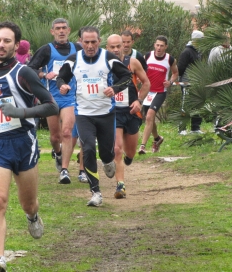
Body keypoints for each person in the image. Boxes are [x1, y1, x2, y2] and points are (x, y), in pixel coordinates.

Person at [0, 21, 59, 272]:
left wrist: (20, 112)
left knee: (28, 203)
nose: (2, 45)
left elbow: (51, 106)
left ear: (16, 45)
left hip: (23, 143)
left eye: (7, 41)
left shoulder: (24, 73)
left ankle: (32, 216)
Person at [56, 26, 132, 206]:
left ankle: (107, 162)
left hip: (106, 113)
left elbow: (127, 77)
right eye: (86, 42)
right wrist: (63, 86)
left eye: (93, 42)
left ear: (99, 41)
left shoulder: (108, 58)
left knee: (107, 153)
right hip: (83, 114)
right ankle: (95, 192)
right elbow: (61, 78)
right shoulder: (74, 60)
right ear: (81, 42)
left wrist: (114, 88)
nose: (90, 46)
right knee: (88, 148)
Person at [28, 18, 82, 184]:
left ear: (69, 30)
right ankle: (57, 153)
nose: (61, 31)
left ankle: (65, 171)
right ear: (52, 31)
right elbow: (29, 69)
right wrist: (44, 74)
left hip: (70, 96)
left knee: (67, 132)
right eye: (57, 28)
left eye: (64, 28)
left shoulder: (77, 48)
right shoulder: (46, 50)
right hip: (50, 97)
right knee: (55, 137)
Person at [106, 34, 150, 199]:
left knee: (130, 153)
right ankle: (120, 185)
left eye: (119, 46)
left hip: (131, 111)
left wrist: (139, 100)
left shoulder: (132, 62)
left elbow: (146, 83)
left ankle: (128, 159)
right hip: (113, 111)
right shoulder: (103, 64)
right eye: (113, 47)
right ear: (107, 48)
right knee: (117, 149)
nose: (116, 50)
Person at [138, 35, 179, 155]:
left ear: (166, 47)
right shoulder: (147, 56)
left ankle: (142, 146)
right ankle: (157, 138)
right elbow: (140, 69)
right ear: (154, 45)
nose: (159, 48)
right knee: (149, 119)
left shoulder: (170, 59)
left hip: (160, 92)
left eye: (161, 45)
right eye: (157, 45)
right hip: (147, 91)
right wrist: (141, 79)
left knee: (150, 116)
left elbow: (175, 72)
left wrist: (170, 82)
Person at [177, 30, 204, 135]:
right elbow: (180, 68)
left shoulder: (199, 51)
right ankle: (182, 128)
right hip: (187, 83)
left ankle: (195, 128)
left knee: (197, 105)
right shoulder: (187, 52)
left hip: (197, 83)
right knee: (185, 105)